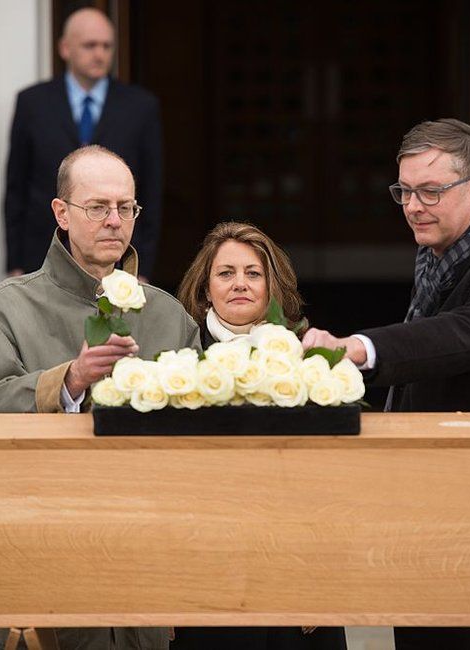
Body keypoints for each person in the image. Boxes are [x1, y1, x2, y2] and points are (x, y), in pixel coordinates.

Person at [301, 119, 470, 649]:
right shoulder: (441, 257)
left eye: (431, 190)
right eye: (404, 190)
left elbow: (463, 334)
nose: (413, 205)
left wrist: (358, 348)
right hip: (436, 518)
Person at [0, 145, 198, 650]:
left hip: (146, 555)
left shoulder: (169, 316)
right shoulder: (10, 306)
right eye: (97, 207)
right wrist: (69, 380)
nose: (114, 221)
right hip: (43, 549)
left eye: (126, 208)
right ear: (61, 213)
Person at [174, 221, 345, 650]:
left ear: (273, 287)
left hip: (291, 562)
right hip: (203, 567)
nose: (240, 284)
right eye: (226, 273)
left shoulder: (309, 357)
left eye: (253, 273)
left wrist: (318, 580)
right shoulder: (175, 361)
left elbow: (327, 486)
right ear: (204, 288)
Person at [4, 7, 163, 279]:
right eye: (90, 45)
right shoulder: (32, 103)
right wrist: (15, 262)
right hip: (41, 254)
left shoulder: (141, 107)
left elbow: (151, 191)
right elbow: (16, 187)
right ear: (65, 48)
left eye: (106, 46)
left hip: (117, 257)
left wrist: (143, 267)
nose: (100, 54)